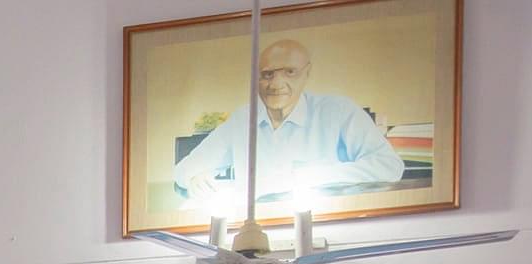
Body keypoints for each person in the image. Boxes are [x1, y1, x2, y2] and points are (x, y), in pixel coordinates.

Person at [172, 39, 405, 204]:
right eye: (267, 74)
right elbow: (183, 169)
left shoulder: (338, 111)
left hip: (326, 225)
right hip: (256, 230)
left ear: (307, 73)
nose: (276, 84)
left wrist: (311, 177)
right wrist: (195, 178)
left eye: (290, 72)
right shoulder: (243, 119)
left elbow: (388, 166)